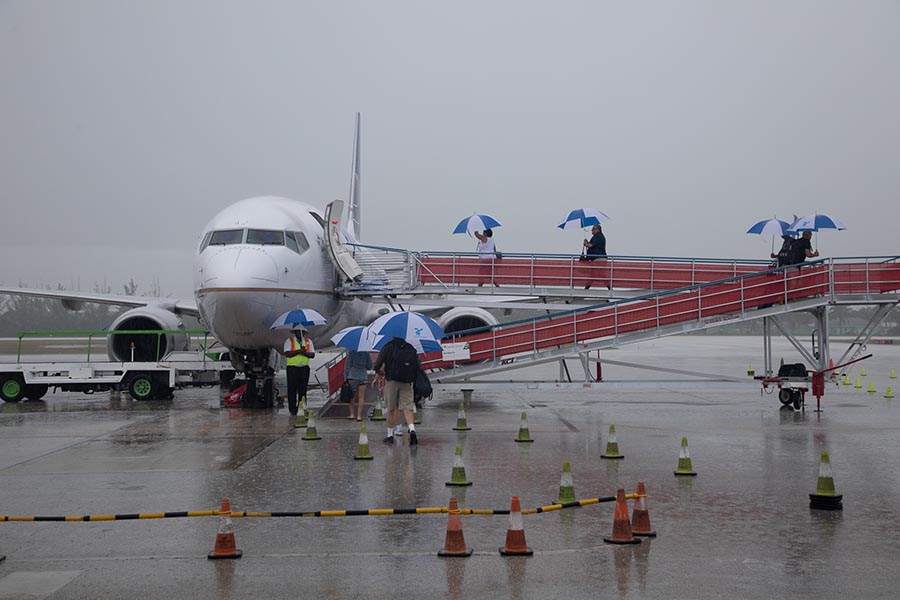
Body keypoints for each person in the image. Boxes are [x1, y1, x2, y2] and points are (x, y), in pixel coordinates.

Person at [373, 336, 420, 445]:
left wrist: (380, 373)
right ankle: (412, 430)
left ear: (393, 335)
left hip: (392, 381)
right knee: (407, 408)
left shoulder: (388, 347)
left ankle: (390, 436)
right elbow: (417, 365)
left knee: (390, 409)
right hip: (407, 382)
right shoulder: (410, 347)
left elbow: (377, 364)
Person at [282, 327, 315, 416]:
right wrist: (298, 351)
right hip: (292, 367)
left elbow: (312, 354)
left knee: (303, 390)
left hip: (304, 368)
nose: (299, 334)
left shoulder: (308, 341)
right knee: (292, 389)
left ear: (304, 333)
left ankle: (302, 407)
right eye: (297, 332)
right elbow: (287, 353)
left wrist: (304, 353)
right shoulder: (289, 341)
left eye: (301, 332)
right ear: (295, 332)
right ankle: (292, 409)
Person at [343, 349, 372, 421]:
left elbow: (348, 366)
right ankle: (359, 416)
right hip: (363, 377)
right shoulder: (366, 353)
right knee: (361, 397)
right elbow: (369, 366)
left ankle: (352, 414)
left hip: (352, 376)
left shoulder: (351, 352)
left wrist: (346, 377)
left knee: (351, 396)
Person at [582, 224, 607, 289]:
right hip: (599, 259)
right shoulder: (599, 236)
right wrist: (587, 243)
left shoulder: (598, 236)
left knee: (593, 275)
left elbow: (590, 245)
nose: (591, 230)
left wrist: (586, 244)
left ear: (597, 229)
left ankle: (586, 289)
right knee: (599, 274)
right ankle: (610, 287)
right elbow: (591, 244)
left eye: (593, 229)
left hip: (598, 259)